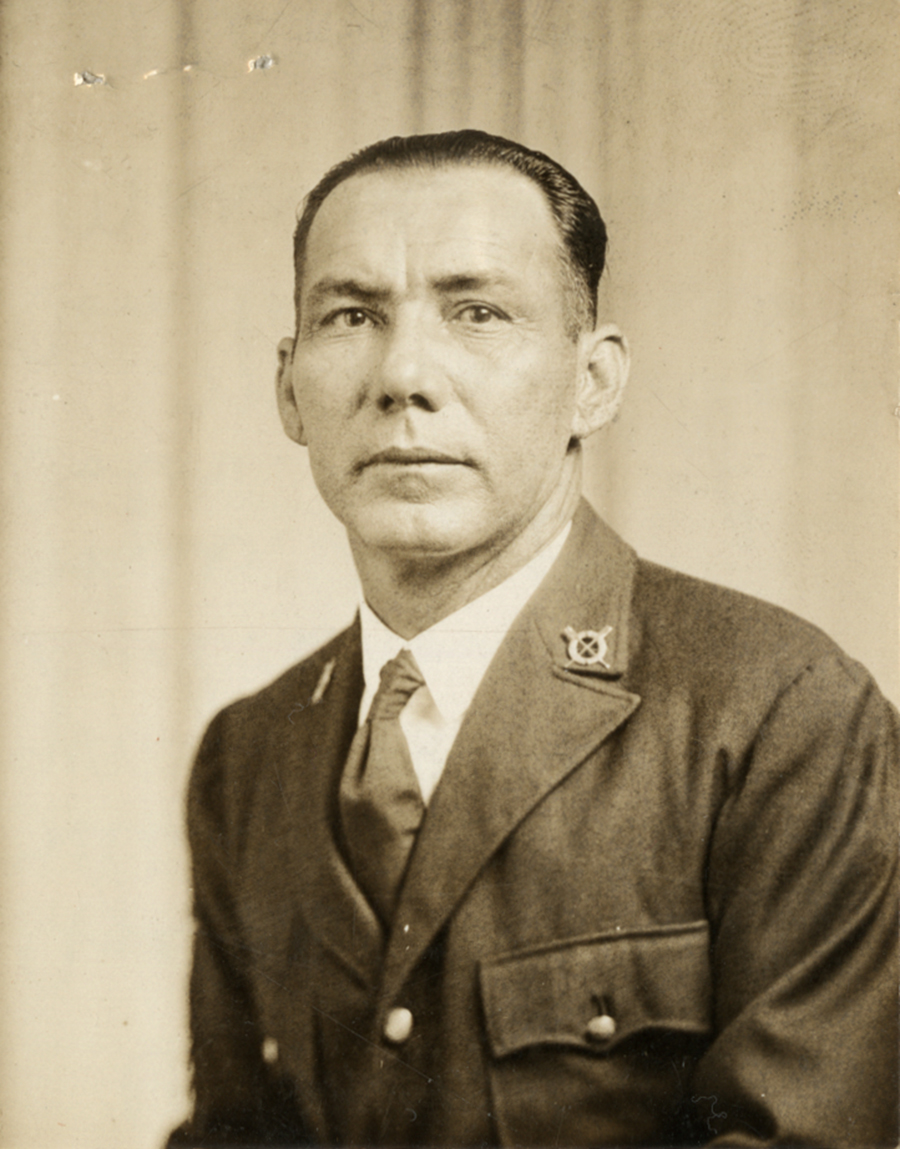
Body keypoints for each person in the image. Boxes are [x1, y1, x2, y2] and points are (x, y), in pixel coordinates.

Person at [168, 130, 898, 1148]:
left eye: (477, 312)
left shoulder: (780, 715)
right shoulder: (248, 757)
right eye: (352, 315)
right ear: (290, 389)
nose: (404, 374)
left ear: (593, 382)